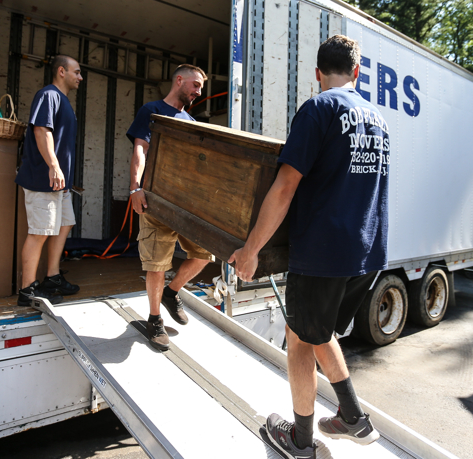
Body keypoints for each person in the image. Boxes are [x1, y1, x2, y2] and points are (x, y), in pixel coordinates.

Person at [229, 35, 389, 458]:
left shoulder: (319, 108)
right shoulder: (378, 117)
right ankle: (352, 416)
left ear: (318, 74)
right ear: (356, 73)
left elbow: (284, 187)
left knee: (300, 339)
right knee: (318, 333)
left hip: (323, 253)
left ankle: (300, 441)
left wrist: (250, 251)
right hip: (366, 253)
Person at [126, 64, 215, 351]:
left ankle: (172, 291)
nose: (199, 91)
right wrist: (135, 188)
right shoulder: (152, 110)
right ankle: (154, 320)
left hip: (185, 203)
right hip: (155, 200)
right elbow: (140, 148)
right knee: (156, 263)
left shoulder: (190, 120)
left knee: (205, 254)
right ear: (179, 80)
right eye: (196, 85)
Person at [15, 55, 84, 306]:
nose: (80, 77)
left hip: (59, 183)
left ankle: (52, 278)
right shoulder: (49, 95)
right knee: (40, 232)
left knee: (65, 224)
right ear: (61, 71)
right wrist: (54, 167)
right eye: (77, 72)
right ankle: (27, 290)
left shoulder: (63, 101)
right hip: (43, 179)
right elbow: (41, 130)